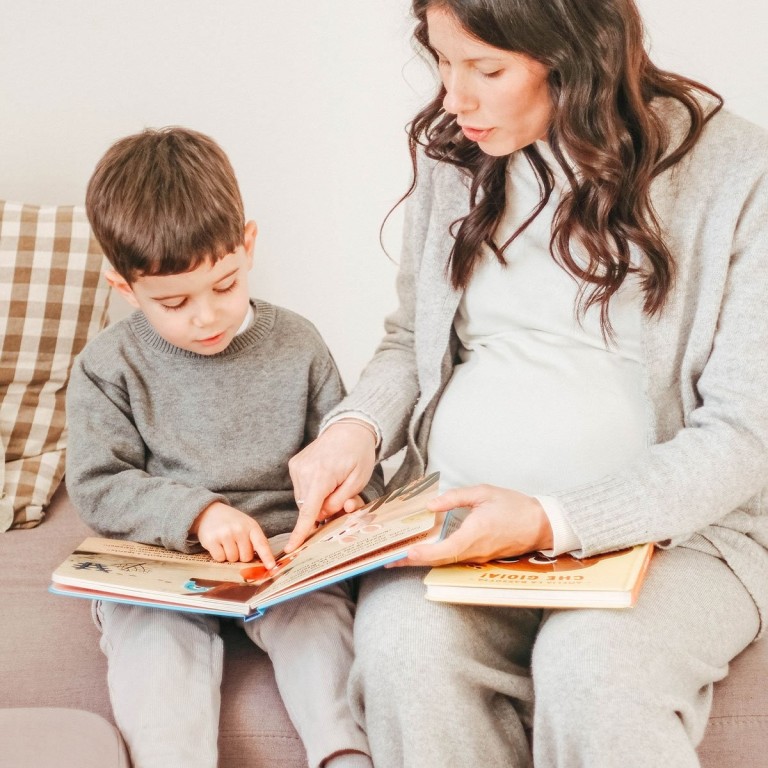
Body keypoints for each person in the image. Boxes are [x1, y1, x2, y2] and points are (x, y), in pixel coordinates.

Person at [286, 1, 768, 765]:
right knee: (404, 650)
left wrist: (547, 521)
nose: (454, 98)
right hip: (454, 523)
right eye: (443, 60)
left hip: (680, 541)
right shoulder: (459, 157)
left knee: (593, 665)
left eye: (487, 68)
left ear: (578, 58)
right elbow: (412, 338)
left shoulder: (738, 172)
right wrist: (356, 430)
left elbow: (746, 434)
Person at [65, 126, 379, 768]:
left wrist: (352, 499)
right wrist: (200, 515)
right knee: (153, 652)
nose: (206, 317)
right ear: (123, 287)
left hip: (286, 559)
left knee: (321, 633)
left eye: (225, 285)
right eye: (174, 301)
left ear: (248, 245)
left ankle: (345, 755)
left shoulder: (298, 342)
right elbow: (98, 484)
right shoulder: (108, 365)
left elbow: (339, 445)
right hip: (164, 565)